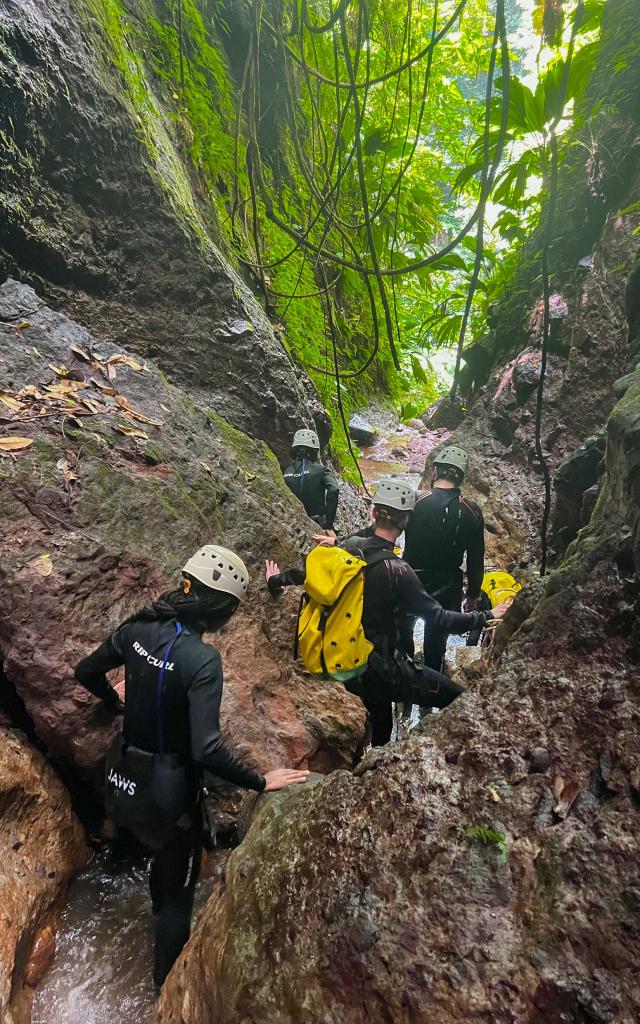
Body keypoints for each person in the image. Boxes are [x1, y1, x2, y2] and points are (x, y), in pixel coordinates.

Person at [75, 545, 309, 990]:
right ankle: (165, 994)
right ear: (222, 608)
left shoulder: (139, 627)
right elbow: (206, 750)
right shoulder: (202, 661)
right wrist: (262, 781)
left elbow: (86, 671)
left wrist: (113, 699)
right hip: (168, 796)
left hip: (121, 777)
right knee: (174, 903)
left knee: (147, 854)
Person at [266, 480, 507, 748]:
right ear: (407, 521)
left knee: (381, 717)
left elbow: (305, 574)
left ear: (373, 512)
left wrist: (274, 580)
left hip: (352, 662)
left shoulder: (347, 548)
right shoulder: (399, 571)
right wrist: (487, 614)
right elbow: (439, 618)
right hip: (387, 669)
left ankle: (376, 758)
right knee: (459, 697)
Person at [402, 445, 485, 672]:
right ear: (460, 478)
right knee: (436, 641)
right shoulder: (472, 510)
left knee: (404, 632)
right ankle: (431, 686)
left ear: (435, 471)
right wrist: (473, 594)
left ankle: (404, 680)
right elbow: (476, 559)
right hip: (449, 584)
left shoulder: (416, 501)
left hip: (411, 579)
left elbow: (387, 532)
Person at [283, 428, 339, 535]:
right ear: (315, 451)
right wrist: (329, 526)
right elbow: (333, 489)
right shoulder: (321, 470)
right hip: (316, 524)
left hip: (290, 523)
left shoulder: (286, 471)